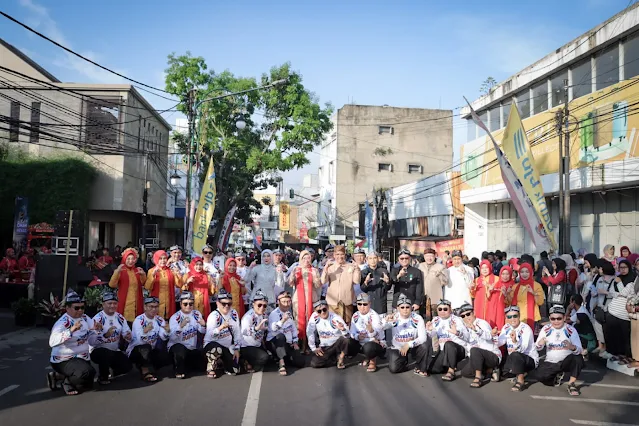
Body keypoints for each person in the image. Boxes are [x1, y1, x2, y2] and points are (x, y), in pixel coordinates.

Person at [47, 290, 97, 395]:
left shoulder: (85, 318)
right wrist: (71, 330)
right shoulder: (63, 322)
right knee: (84, 373)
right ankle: (67, 382)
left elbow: (93, 337)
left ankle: (56, 376)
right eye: (76, 308)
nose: (80, 311)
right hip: (64, 359)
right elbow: (52, 342)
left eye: (82, 307)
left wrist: (96, 330)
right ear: (68, 308)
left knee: (89, 378)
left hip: (81, 357)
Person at [535, 305, 584, 396]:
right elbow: (537, 348)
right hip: (550, 361)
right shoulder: (545, 329)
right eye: (553, 319)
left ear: (564, 318)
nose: (556, 321)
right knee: (540, 376)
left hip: (566, 361)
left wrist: (572, 347)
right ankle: (556, 376)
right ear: (549, 318)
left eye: (559, 318)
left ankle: (571, 383)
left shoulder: (571, 330)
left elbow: (579, 350)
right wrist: (539, 344)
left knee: (578, 358)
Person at [89, 291, 132, 385]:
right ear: (103, 304)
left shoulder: (120, 317)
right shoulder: (97, 319)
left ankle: (111, 371)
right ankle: (102, 376)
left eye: (115, 303)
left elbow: (126, 332)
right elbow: (91, 342)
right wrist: (105, 335)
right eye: (109, 303)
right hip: (97, 351)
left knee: (127, 367)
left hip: (114, 350)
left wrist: (128, 335)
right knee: (105, 353)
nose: (112, 306)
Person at [382, 294, 429, 376]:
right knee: (393, 369)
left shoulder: (417, 318)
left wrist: (408, 345)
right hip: (398, 348)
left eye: (407, 307)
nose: (405, 310)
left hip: (412, 346)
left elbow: (423, 338)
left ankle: (420, 367)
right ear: (397, 308)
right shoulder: (394, 317)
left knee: (424, 346)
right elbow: (379, 328)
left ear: (411, 308)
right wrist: (385, 321)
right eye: (402, 307)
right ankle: (405, 363)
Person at [457, 303, 502, 387]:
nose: (466, 317)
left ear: (473, 313)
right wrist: (457, 333)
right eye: (463, 316)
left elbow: (488, 336)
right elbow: (466, 338)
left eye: (468, 314)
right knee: (464, 372)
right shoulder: (465, 327)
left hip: (492, 355)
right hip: (477, 357)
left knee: (474, 350)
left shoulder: (482, 323)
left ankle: (478, 378)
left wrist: (476, 330)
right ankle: (490, 371)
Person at [127, 296, 170, 382]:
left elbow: (162, 337)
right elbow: (139, 340)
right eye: (151, 306)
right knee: (145, 347)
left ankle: (152, 366)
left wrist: (167, 331)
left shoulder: (159, 319)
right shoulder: (139, 320)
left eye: (156, 307)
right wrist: (145, 331)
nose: (154, 309)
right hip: (136, 350)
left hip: (151, 349)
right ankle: (145, 371)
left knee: (166, 355)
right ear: (145, 307)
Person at [602, 259, 636, 364]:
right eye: (620, 268)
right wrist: (619, 293)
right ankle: (615, 354)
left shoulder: (633, 279)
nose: (622, 270)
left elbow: (627, 294)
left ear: (629, 268)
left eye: (625, 267)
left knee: (625, 336)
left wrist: (620, 284)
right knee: (612, 334)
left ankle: (626, 356)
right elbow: (611, 293)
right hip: (613, 310)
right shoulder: (616, 278)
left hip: (624, 313)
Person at [426, 299, 469, 380]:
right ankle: (450, 365)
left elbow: (467, 336)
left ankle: (451, 371)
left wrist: (457, 333)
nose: (442, 311)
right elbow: (433, 339)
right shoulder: (435, 320)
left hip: (457, 349)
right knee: (430, 368)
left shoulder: (457, 320)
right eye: (440, 309)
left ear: (450, 309)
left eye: (445, 309)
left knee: (449, 344)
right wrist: (429, 330)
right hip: (442, 350)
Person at [498, 306, 539, 392]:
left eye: (515, 316)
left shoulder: (526, 328)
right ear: (506, 318)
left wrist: (515, 341)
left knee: (516, 354)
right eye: (509, 317)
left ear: (519, 316)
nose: (512, 319)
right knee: (502, 373)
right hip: (513, 358)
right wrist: (492, 336)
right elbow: (499, 342)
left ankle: (520, 381)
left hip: (528, 359)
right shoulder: (506, 327)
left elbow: (523, 348)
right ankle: (522, 373)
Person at [288, 250, 322, 351]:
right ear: (300, 259)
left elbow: (318, 285)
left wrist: (315, 276)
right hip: (298, 299)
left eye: (308, 258)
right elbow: (290, 283)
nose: (306, 260)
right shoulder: (296, 269)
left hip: (312, 298)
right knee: (299, 321)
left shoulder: (314, 270)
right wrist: (293, 274)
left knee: (310, 321)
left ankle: (308, 344)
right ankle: (299, 343)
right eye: (304, 258)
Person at [167, 292, 206, 379]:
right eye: (185, 304)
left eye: (191, 304)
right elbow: (172, 338)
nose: (188, 306)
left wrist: (203, 325)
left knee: (202, 367)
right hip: (177, 347)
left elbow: (202, 331)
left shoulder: (196, 314)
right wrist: (180, 326)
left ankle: (185, 364)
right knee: (180, 349)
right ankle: (178, 369)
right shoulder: (175, 317)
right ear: (180, 304)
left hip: (191, 348)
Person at [204, 290, 242, 379]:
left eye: (229, 304)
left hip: (227, 347)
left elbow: (237, 332)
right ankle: (211, 368)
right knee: (216, 349)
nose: (226, 306)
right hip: (211, 345)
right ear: (217, 303)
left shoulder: (233, 313)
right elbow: (210, 335)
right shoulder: (213, 316)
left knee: (235, 370)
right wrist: (220, 328)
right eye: (223, 303)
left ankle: (222, 362)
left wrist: (237, 349)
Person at [322, 245, 361, 324]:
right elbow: (323, 281)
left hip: (347, 301)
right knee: (333, 324)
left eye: (342, 254)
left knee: (347, 324)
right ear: (334, 255)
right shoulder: (330, 267)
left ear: (345, 254)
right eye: (337, 254)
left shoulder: (351, 266)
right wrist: (325, 270)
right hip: (332, 302)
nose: (340, 256)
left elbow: (356, 281)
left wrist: (357, 269)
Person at [267, 291, 304, 376]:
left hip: (288, 343)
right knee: (280, 336)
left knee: (300, 362)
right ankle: (281, 362)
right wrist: (282, 320)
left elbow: (293, 329)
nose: (286, 304)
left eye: (288, 302)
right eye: (284, 302)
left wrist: (295, 342)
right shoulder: (274, 314)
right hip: (275, 342)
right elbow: (274, 329)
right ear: (278, 302)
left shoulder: (288, 313)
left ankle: (282, 357)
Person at [307, 299, 350, 369]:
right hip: (325, 347)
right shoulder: (314, 317)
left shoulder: (335, 318)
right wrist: (313, 348)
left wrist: (343, 330)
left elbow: (348, 335)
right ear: (315, 312)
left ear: (328, 308)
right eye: (319, 311)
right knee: (314, 363)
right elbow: (309, 331)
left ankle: (341, 357)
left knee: (345, 339)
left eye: (324, 309)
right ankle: (335, 359)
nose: (322, 312)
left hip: (337, 345)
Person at [108, 248, 147, 323]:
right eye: (128, 259)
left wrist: (143, 274)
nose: (131, 261)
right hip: (124, 302)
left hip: (137, 302)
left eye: (133, 259)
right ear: (124, 259)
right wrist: (117, 272)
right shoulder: (120, 270)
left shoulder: (137, 270)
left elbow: (144, 283)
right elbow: (112, 284)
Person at [350, 293, 386, 372]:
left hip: (376, 343)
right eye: (359, 304)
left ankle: (373, 361)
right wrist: (357, 336)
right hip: (363, 341)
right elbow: (352, 332)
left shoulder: (374, 316)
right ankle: (367, 357)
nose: (362, 307)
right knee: (348, 343)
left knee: (369, 347)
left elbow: (378, 336)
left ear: (369, 304)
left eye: (365, 304)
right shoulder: (355, 315)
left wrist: (371, 331)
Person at [507, 262, 545, 330]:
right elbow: (510, 302)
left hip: (532, 317)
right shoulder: (515, 287)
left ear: (531, 272)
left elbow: (540, 302)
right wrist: (506, 294)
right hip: (518, 317)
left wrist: (533, 293)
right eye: (522, 272)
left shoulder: (537, 285)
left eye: (527, 272)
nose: (524, 274)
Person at [240, 290, 271, 373]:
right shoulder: (248, 317)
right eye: (259, 305)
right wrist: (256, 329)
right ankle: (244, 361)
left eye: (264, 306)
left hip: (258, 344)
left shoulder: (264, 315)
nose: (262, 308)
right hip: (246, 346)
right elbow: (244, 332)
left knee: (270, 360)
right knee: (264, 358)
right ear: (253, 304)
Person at [145, 250, 181, 320]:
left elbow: (178, 285)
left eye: (164, 258)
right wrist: (153, 275)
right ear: (156, 259)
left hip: (169, 302)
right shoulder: (151, 271)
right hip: (156, 302)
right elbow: (148, 287)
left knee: (168, 321)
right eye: (160, 258)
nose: (163, 261)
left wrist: (177, 274)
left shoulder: (171, 270)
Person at [419, 248, 448, 320]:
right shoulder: (420, 266)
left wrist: (440, 275)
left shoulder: (440, 267)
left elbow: (445, 282)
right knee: (423, 318)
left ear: (435, 256)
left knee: (436, 318)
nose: (429, 258)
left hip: (436, 297)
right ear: (424, 257)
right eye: (427, 256)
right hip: (423, 296)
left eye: (431, 256)